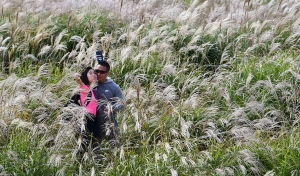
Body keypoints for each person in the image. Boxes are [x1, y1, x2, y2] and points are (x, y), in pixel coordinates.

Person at [93, 60, 124, 147]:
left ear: (108, 73)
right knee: (95, 150)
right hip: (94, 123)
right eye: (97, 71)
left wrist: (111, 108)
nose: (98, 74)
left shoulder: (114, 87)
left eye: (102, 72)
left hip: (110, 123)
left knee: (115, 148)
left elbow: (121, 104)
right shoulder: (92, 83)